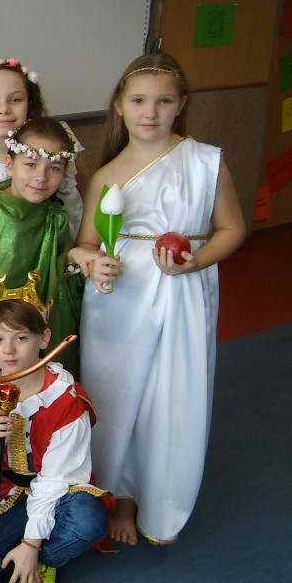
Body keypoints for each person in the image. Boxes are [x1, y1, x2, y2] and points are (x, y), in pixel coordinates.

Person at [76, 53, 245, 546]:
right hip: (118, 300)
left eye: (164, 101)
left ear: (181, 105)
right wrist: (91, 262)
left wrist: (197, 259)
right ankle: (118, 494)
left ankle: (154, 492)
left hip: (182, 291)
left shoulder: (205, 161)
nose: (150, 112)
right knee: (117, 393)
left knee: (169, 394)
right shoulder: (106, 174)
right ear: (119, 106)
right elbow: (85, 244)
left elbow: (232, 228)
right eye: (138, 101)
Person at [0, 281, 109, 583]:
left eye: (21, 338)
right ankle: (26, 554)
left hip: (60, 492)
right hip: (7, 493)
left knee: (87, 522)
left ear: (44, 338)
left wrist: (31, 545)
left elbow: (55, 480)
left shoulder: (66, 399)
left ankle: (41, 558)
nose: (9, 351)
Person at [0, 117, 90, 375]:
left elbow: (56, 279)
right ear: (10, 165)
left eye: (54, 168)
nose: (41, 177)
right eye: (30, 164)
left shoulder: (55, 219)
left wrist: (72, 256)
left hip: (37, 340)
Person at [0, 57, 85, 236]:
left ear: (29, 105)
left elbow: (81, 209)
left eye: (15, 100)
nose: (4, 109)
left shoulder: (56, 151)